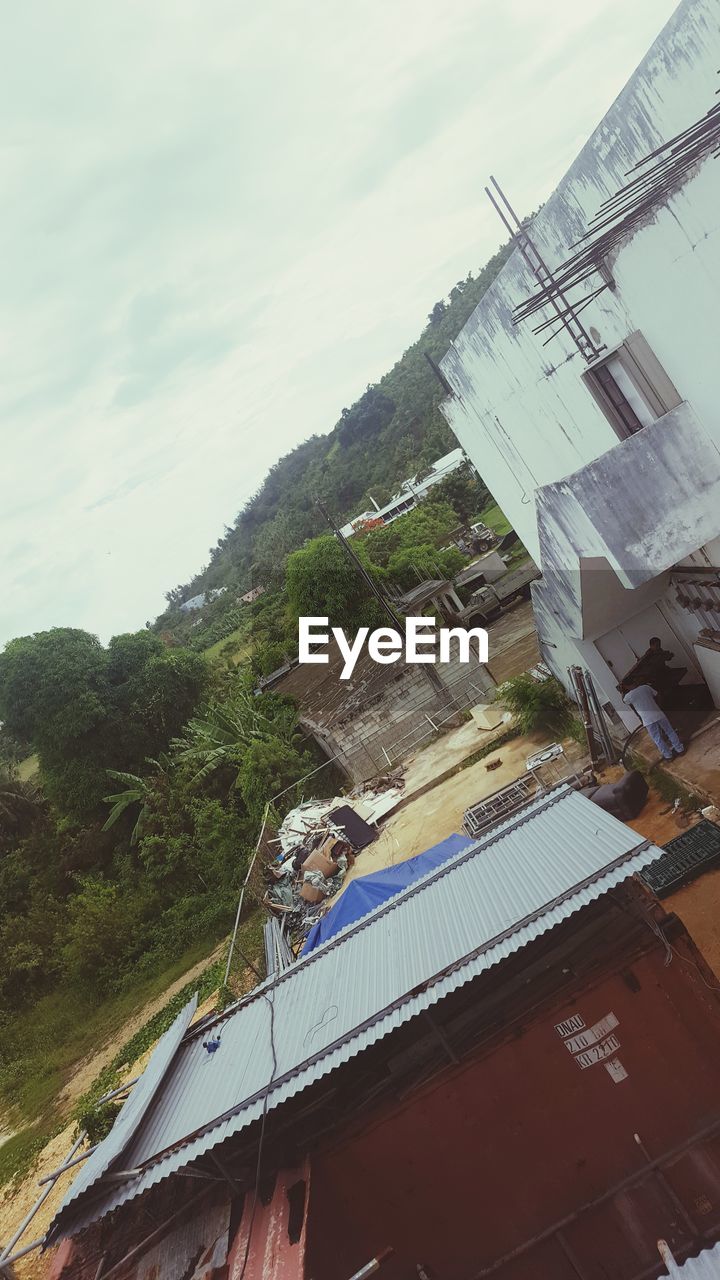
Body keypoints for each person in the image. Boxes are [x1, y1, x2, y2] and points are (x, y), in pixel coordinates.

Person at [619, 679, 684, 761]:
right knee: (670, 731)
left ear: (626, 686)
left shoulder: (628, 696)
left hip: (647, 720)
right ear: (634, 681)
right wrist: (659, 706)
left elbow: (624, 701)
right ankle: (680, 749)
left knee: (657, 738)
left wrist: (621, 690)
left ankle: (668, 756)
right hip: (658, 714)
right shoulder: (645, 687)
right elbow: (658, 695)